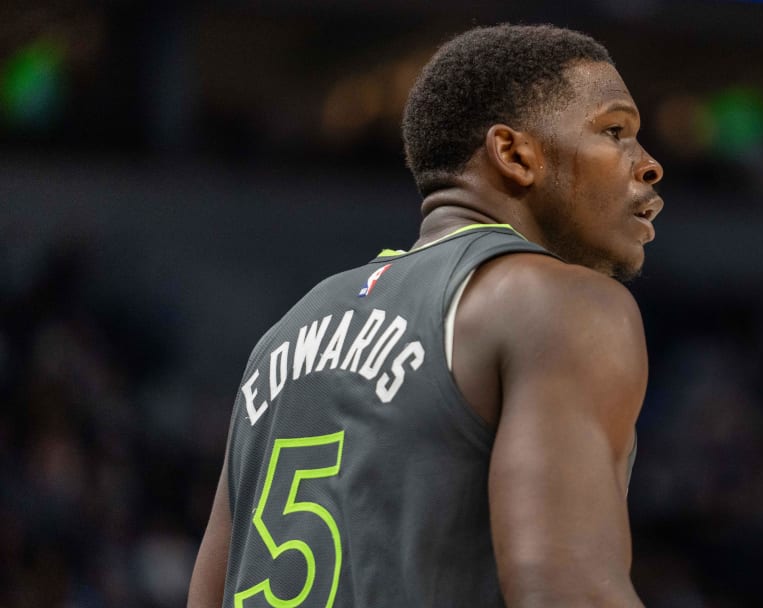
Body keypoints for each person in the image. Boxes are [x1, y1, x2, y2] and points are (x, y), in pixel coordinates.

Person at [188, 23, 664, 607]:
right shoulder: (557, 302)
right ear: (515, 154)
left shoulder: (280, 339)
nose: (648, 165)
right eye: (615, 132)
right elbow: (568, 591)